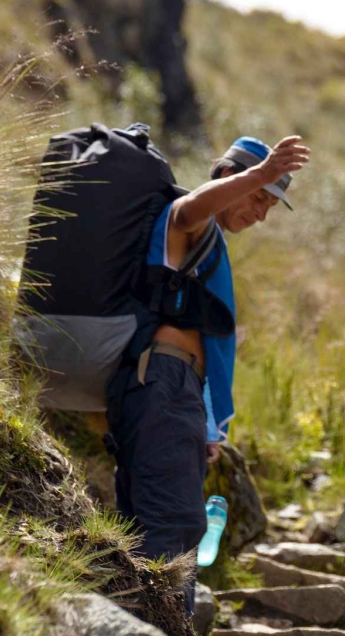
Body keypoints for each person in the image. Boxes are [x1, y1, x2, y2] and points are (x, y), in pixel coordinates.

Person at [106, 135, 309, 611]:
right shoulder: (186, 220)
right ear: (226, 176)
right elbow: (190, 208)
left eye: (270, 206)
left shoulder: (204, 248)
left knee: (145, 524)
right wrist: (259, 174)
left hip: (163, 391)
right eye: (259, 197)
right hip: (164, 388)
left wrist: (206, 421)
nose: (260, 212)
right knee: (173, 524)